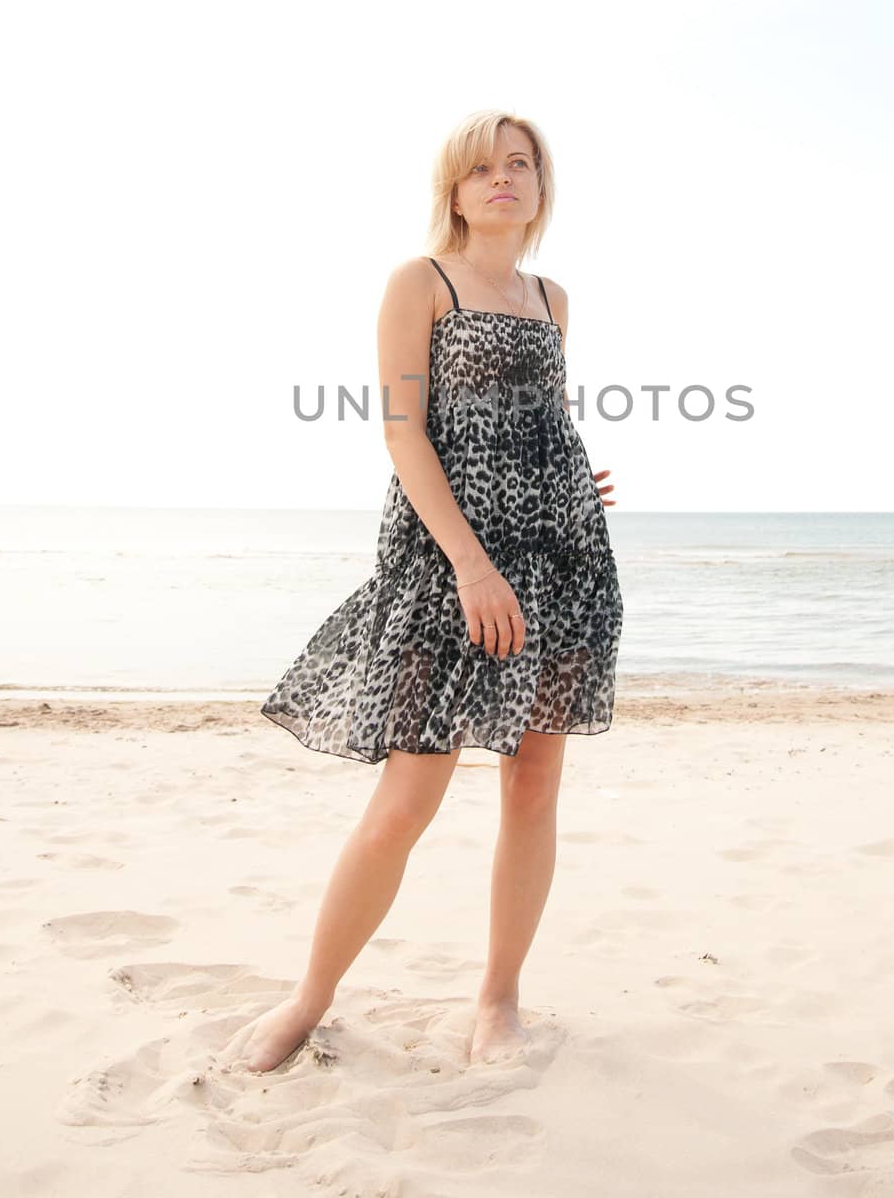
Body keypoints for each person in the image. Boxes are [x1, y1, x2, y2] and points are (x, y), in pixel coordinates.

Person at [217, 109, 624, 1074]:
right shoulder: (421, 283)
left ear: (539, 185)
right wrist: (472, 565)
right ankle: (309, 997)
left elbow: (532, 422)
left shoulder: (551, 297)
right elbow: (405, 435)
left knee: (534, 786)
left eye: (520, 165)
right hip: (448, 567)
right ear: (454, 187)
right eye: (483, 167)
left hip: (561, 559)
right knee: (408, 797)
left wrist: (571, 474)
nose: (502, 180)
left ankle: (498, 1001)